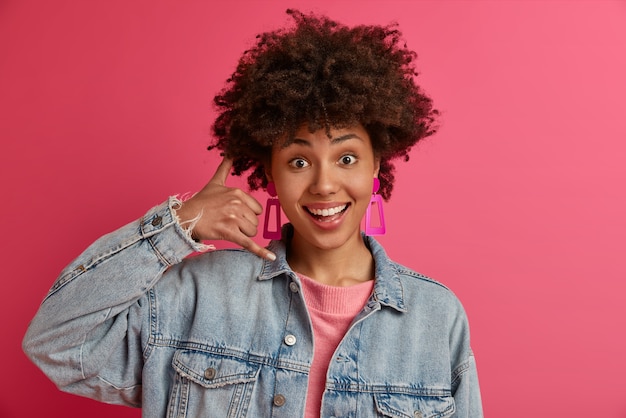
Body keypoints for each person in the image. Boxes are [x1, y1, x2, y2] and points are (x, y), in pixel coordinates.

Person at [23, 9, 483, 417]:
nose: (324, 184)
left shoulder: (436, 317)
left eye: (346, 158)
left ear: (376, 166)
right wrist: (176, 227)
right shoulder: (195, 296)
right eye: (299, 161)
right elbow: (57, 344)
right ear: (270, 174)